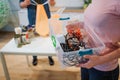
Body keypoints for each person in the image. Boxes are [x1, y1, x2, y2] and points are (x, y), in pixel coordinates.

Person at [77, 0, 120, 80]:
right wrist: (81, 24)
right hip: (87, 59)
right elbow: (98, 24)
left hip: (103, 68)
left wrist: (100, 60)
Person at [19, 0, 54, 66]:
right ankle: (34, 57)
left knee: (47, 39)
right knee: (33, 40)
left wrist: (52, 2)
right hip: (32, 19)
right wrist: (24, 3)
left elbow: (52, 4)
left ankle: (50, 56)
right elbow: (20, 4)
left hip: (45, 18)